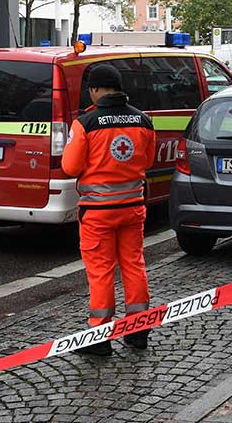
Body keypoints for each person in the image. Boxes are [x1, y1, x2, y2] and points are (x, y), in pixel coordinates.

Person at [61, 64, 156, 356]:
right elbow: (148, 161)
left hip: (98, 213)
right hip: (133, 208)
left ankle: (100, 337)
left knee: (101, 272)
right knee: (134, 265)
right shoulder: (143, 120)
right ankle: (138, 330)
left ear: (94, 90)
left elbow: (70, 167)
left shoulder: (86, 122)